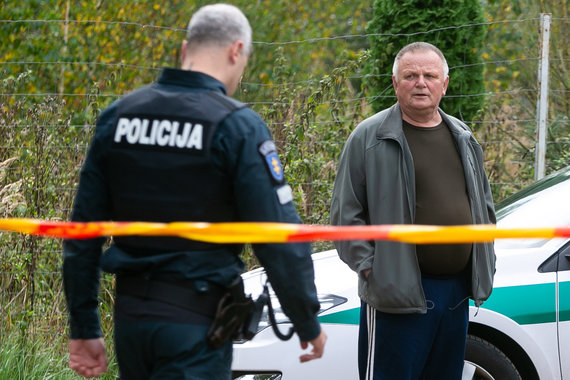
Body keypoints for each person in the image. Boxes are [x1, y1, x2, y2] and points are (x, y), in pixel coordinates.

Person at [63, 4, 326, 379]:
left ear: (185, 50)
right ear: (237, 51)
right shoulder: (237, 126)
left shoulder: (118, 116)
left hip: (131, 323)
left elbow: (80, 235)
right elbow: (277, 236)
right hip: (196, 326)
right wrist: (306, 319)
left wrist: (84, 327)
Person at [330, 42, 496, 379]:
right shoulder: (369, 137)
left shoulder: (463, 136)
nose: (421, 83)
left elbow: (485, 208)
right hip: (397, 296)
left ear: (444, 84)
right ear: (395, 83)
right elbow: (345, 216)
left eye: (430, 75)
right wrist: (373, 271)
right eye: (411, 75)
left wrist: (484, 261)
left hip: (455, 295)